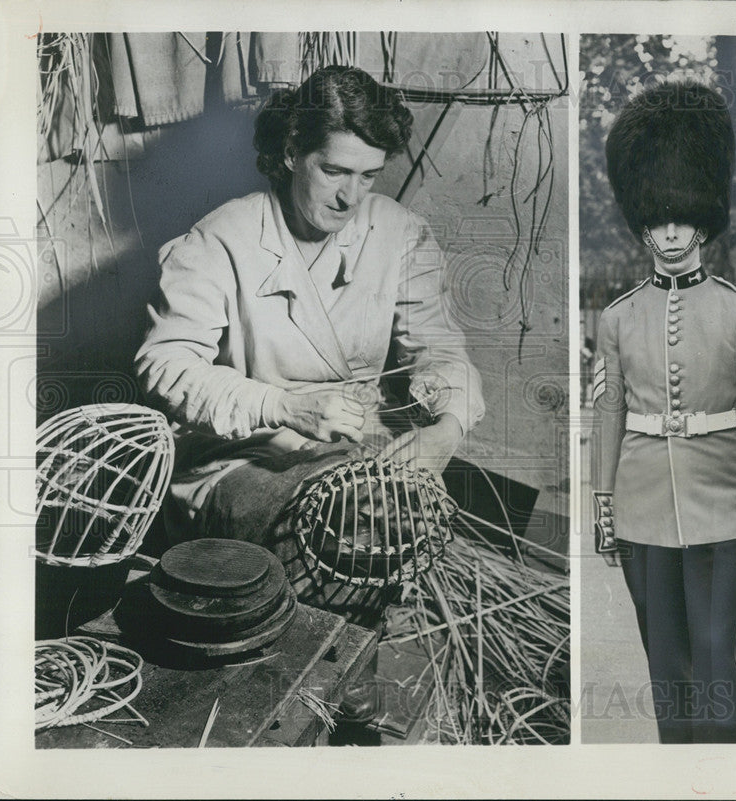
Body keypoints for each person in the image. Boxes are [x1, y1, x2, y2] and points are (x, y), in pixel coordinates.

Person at [135, 64, 485, 729]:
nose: (352, 196)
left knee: (395, 527)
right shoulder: (221, 240)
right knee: (339, 537)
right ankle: (292, 707)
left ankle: (356, 693)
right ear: (291, 152)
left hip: (359, 451)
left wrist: (447, 426)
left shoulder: (398, 234)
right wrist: (283, 405)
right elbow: (165, 366)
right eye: (334, 172)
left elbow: (440, 353)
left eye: (368, 176)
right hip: (244, 455)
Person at [591, 80, 736, 744]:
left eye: (681, 219)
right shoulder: (618, 318)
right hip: (642, 505)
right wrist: (604, 504)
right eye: (657, 219)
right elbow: (609, 414)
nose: (669, 232)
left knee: (712, 652)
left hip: (720, 505)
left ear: (703, 222)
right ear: (643, 223)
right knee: (665, 664)